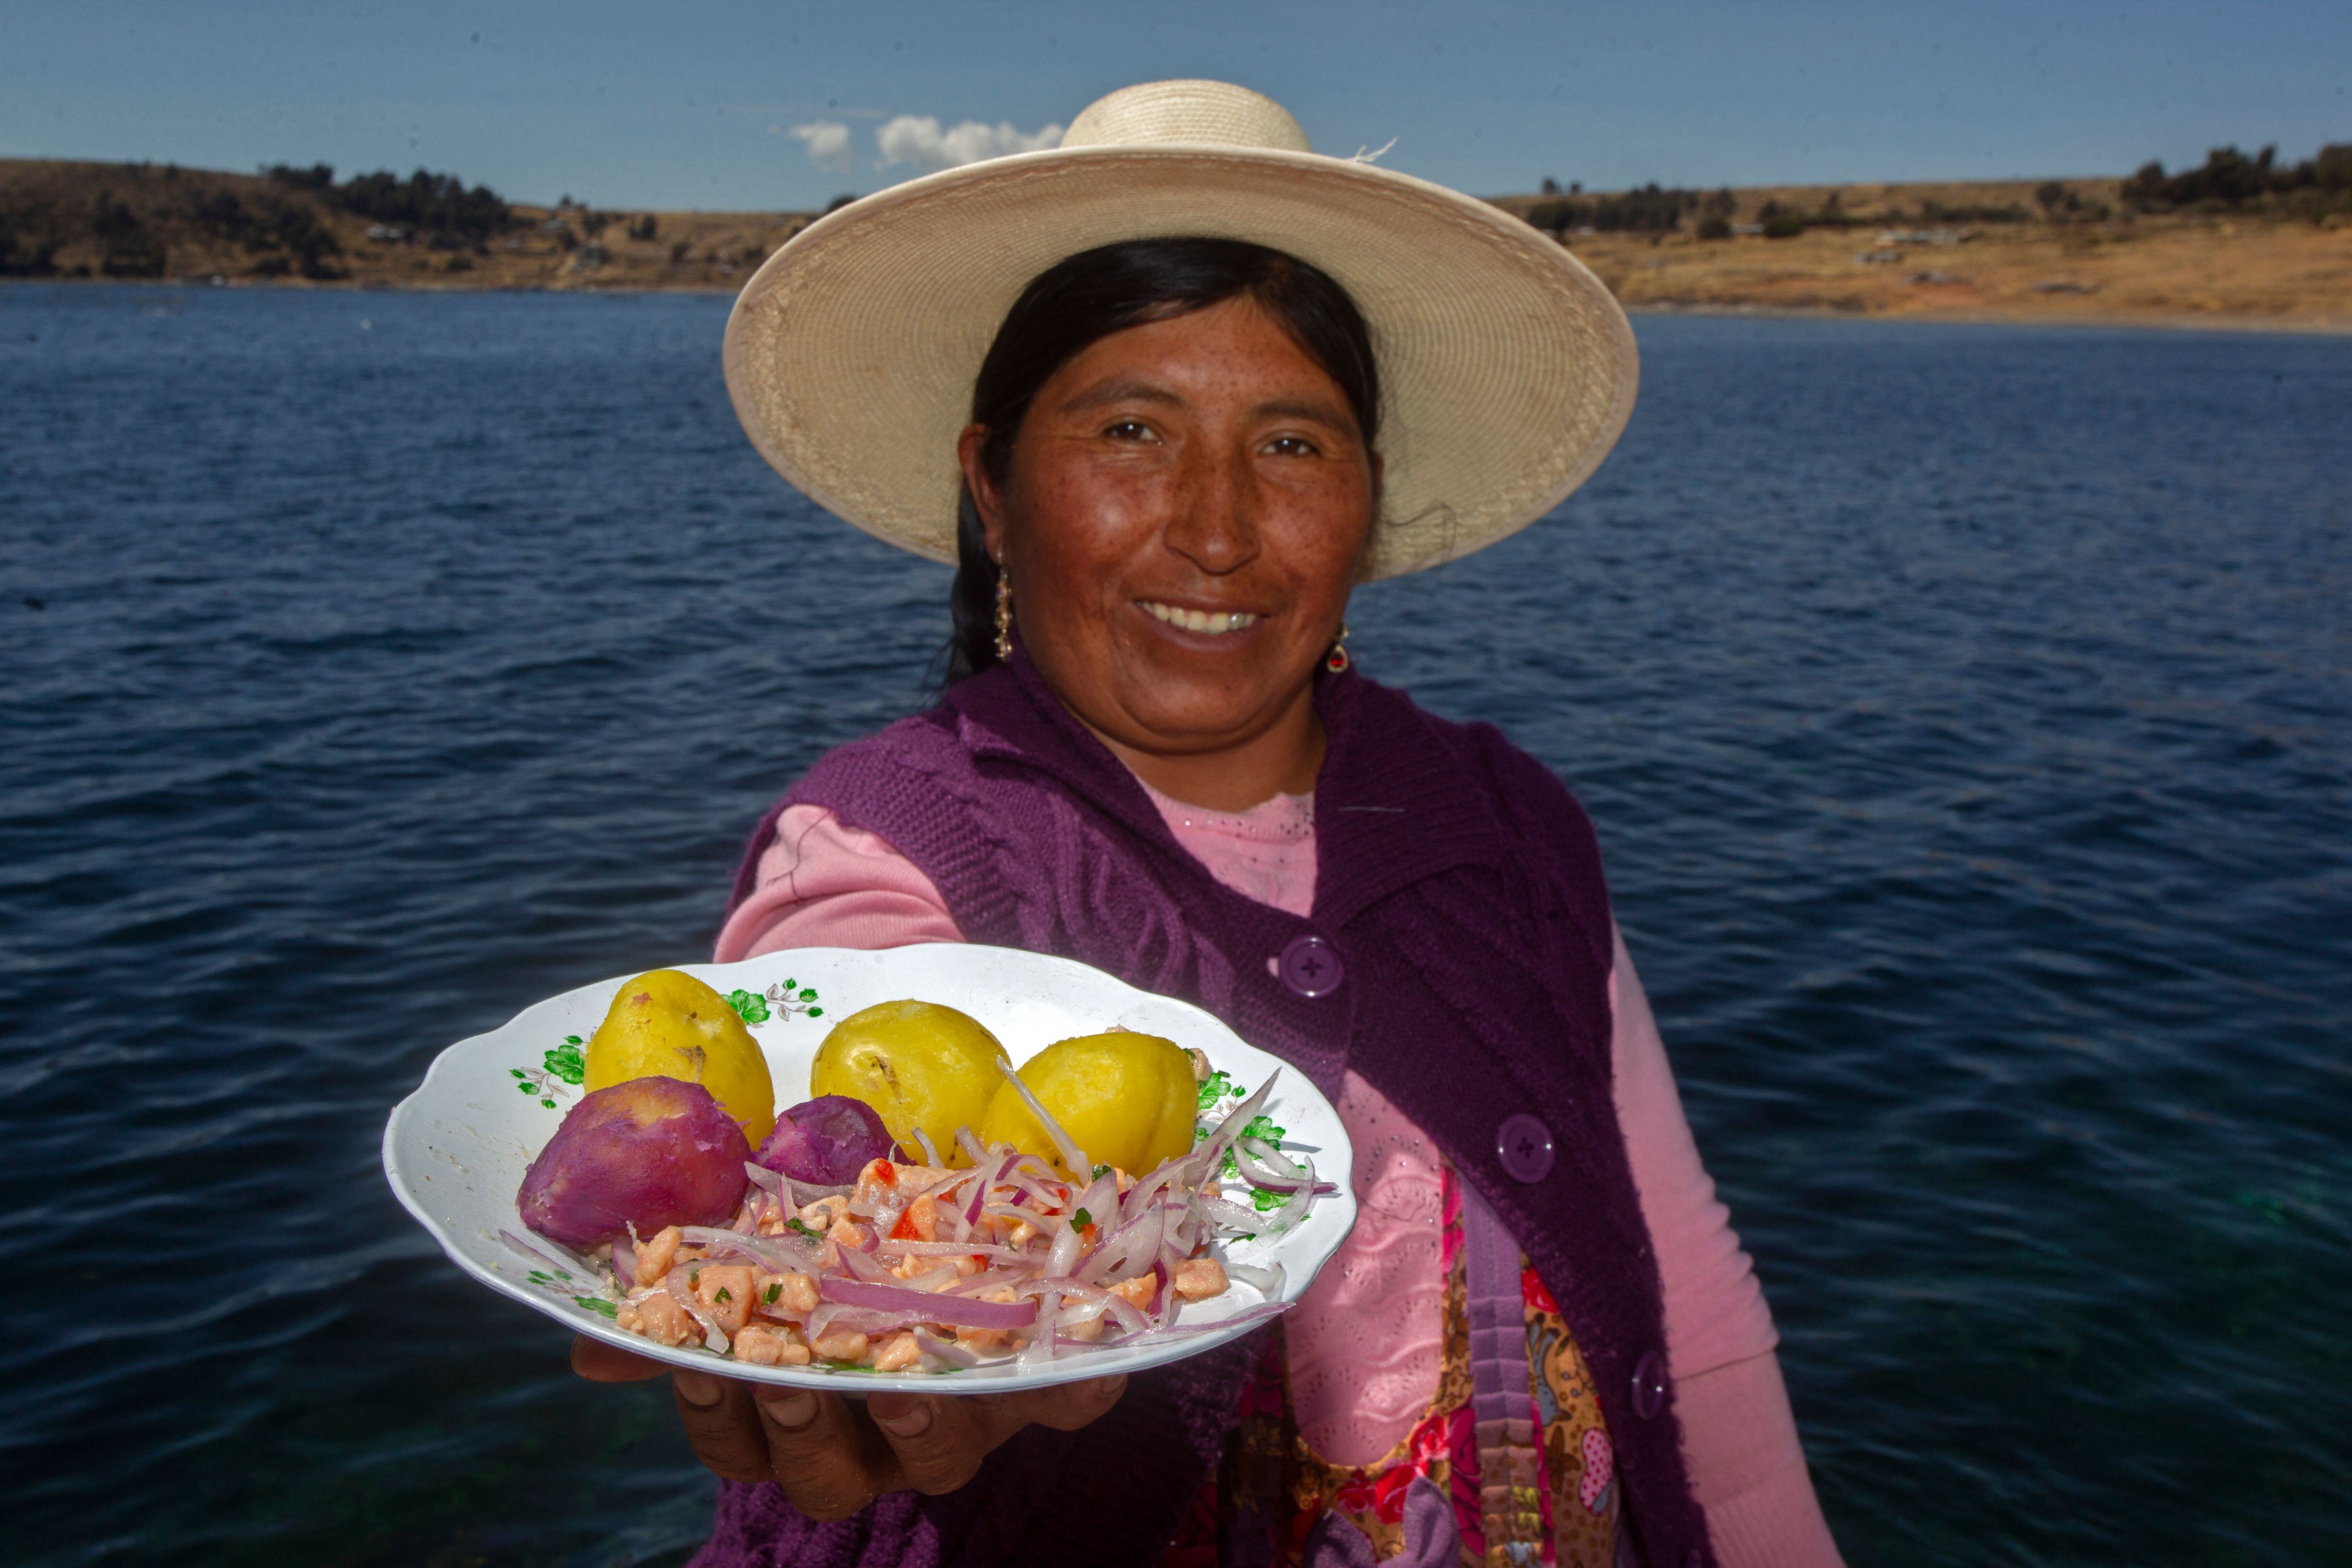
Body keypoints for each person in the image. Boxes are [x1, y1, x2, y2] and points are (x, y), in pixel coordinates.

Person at [574, 80, 1844, 1568]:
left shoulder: (1514, 828)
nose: (1220, 529)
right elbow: (840, 1032)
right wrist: (897, 1322)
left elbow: (1683, 1305)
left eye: (1293, 446)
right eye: (1130, 429)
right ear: (991, 485)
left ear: (1366, 498)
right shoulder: (889, 845)